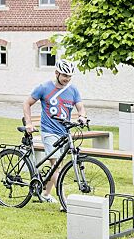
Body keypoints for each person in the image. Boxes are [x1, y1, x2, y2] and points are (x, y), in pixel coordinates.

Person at [22, 58, 88, 203]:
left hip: (65, 133)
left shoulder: (73, 90)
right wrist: (28, 123)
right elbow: (27, 103)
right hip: (49, 131)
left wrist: (82, 116)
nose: (67, 79)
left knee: (57, 166)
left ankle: (45, 194)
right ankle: (64, 201)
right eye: (64, 75)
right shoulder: (44, 87)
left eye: (70, 76)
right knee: (56, 166)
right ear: (57, 73)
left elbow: (80, 106)